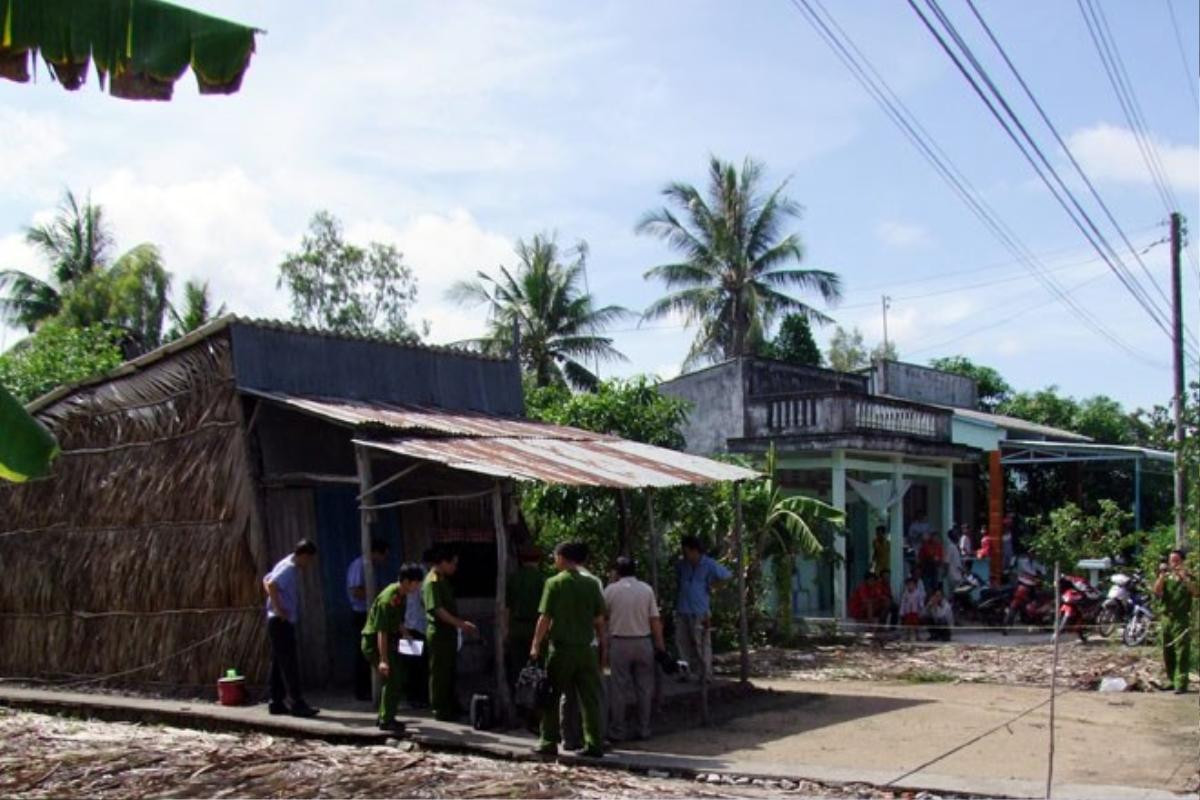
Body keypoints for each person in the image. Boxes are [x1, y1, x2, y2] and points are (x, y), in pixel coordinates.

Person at [530, 541, 608, 758]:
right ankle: (594, 743)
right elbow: (600, 621)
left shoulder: (554, 583)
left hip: (562, 650)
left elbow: (545, 618)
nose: (554, 561)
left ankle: (548, 741)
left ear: (562, 558)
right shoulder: (592, 584)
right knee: (590, 698)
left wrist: (535, 645)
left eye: (555, 556)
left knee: (552, 695)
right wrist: (603, 647)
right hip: (586, 650)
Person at [603, 556, 666, 743]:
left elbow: (602, 618)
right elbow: (654, 619)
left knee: (618, 688)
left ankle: (618, 729)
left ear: (617, 571)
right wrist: (660, 645)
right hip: (643, 642)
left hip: (620, 642)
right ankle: (644, 728)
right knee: (645, 688)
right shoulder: (646, 590)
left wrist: (604, 645)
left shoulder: (610, 590)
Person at [360, 564, 425, 732]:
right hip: (375, 642)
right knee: (392, 678)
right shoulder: (388, 598)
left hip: (389, 640)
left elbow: (397, 621)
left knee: (399, 675)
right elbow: (381, 631)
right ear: (405, 581)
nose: (417, 587)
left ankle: (385, 715)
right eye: (415, 583)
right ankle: (386, 720)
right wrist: (383, 661)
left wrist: (406, 635)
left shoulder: (401, 595)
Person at [262, 539, 320, 718]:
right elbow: (271, 585)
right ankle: (297, 703)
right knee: (289, 663)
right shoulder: (288, 568)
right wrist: (279, 609)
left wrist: (274, 605)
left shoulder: (286, 563)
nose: (309, 564)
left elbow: (266, 579)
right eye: (309, 559)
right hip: (280, 622)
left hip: (277, 620)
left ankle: (276, 701)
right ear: (303, 555)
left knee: (278, 663)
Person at [421, 546, 478, 721]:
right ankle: (439, 709)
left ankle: (450, 705)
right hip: (438, 633)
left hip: (448, 633)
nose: (455, 567)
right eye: (453, 563)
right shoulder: (432, 581)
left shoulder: (443, 579)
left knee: (450, 671)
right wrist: (460, 624)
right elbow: (438, 610)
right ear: (444, 562)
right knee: (439, 673)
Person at [674, 535, 731, 681]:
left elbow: (726, 576)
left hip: (700, 610)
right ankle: (685, 673)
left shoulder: (709, 564)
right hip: (682, 609)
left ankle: (705, 674)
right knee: (682, 643)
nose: (685, 554)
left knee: (702, 643)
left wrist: (713, 587)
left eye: (687, 551)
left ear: (695, 551)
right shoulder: (682, 565)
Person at [346, 539, 389, 702]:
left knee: (371, 650)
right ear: (377, 553)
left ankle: (370, 687)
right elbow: (356, 591)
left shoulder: (371, 567)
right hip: (361, 613)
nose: (385, 559)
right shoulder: (360, 565)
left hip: (369, 613)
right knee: (363, 651)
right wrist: (375, 596)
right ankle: (362, 689)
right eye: (384, 555)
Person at [1153, 549, 1198, 694]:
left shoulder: (1189, 576)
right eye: (1171, 560)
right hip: (1167, 617)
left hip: (1181, 618)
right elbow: (1157, 591)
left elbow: (1196, 592)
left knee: (1182, 651)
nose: (1173, 564)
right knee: (1168, 651)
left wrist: (1184, 578)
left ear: (1182, 562)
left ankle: (1181, 683)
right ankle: (1172, 680)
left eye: (1176, 560)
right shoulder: (1166, 577)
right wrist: (1161, 576)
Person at [506, 545, 547, 690]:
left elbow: (506, 608)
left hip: (516, 628)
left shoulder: (513, 579)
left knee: (517, 667)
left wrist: (505, 630)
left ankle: (518, 700)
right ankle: (535, 703)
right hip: (536, 630)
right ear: (538, 560)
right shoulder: (542, 580)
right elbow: (547, 612)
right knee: (537, 668)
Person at [917, 529, 944, 596]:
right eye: (934, 537)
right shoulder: (925, 545)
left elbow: (941, 558)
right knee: (927, 587)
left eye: (937, 537)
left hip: (935, 568)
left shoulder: (939, 546)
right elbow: (921, 557)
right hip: (926, 568)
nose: (936, 539)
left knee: (935, 586)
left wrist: (937, 560)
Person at [899, 576, 924, 641]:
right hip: (907, 612)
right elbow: (903, 603)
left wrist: (921, 609)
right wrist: (901, 612)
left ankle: (916, 636)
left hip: (915, 612)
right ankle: (906, 636)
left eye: (912, 584)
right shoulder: (905, 593)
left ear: (915, 585)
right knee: (907, 624)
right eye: (908, 584)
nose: (910, 586)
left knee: (915, 625)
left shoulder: (918, 593)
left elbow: (920, 602)